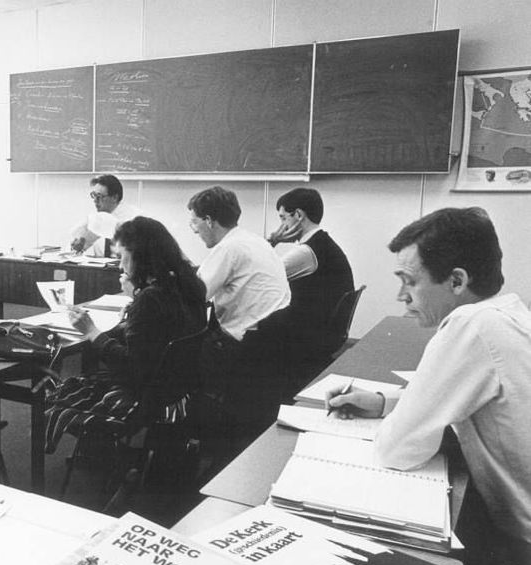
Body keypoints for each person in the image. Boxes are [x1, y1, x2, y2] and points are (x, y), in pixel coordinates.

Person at [326, 207, 531, 565]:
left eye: (409, 281)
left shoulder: (472, 324)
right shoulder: (506, 313)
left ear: (457, 281)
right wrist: (386, 401)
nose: (402, 296)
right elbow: (461, 394)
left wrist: (399, 417)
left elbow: (397, 449)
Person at [45, 216, 207, 453]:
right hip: (177, 394)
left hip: (143, 400)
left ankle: (94, 454)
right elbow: (157, 340)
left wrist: (91, 331)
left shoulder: (150, 299)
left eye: (122, 257)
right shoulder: (189, 285)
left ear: (141, 256)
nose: (120, 265)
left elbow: (131, 365)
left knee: (58, 392)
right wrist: (138, 296)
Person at [268, 188, 354, 392]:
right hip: (325, 333)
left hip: (308, 337)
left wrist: (271, 241)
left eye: (283, 218)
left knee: (248, 330)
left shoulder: (307, 252)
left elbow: (259, 276)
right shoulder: (323, 243)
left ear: (298, 215)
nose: (281, 226)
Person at [188, 185, 290, 341]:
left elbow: (193, 297)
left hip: (245, 345)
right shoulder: (253, 240)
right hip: (274, 336)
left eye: (194, 223)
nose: (194, 230)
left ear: (208, 221)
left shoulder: (228, 248)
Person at [70, 174, 138, 257]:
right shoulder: (94, 218)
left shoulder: (134, 219)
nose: (95, 201)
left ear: (114, 198)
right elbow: (73, 248)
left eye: (99, 197)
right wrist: (79, 246)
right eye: (94, 195)